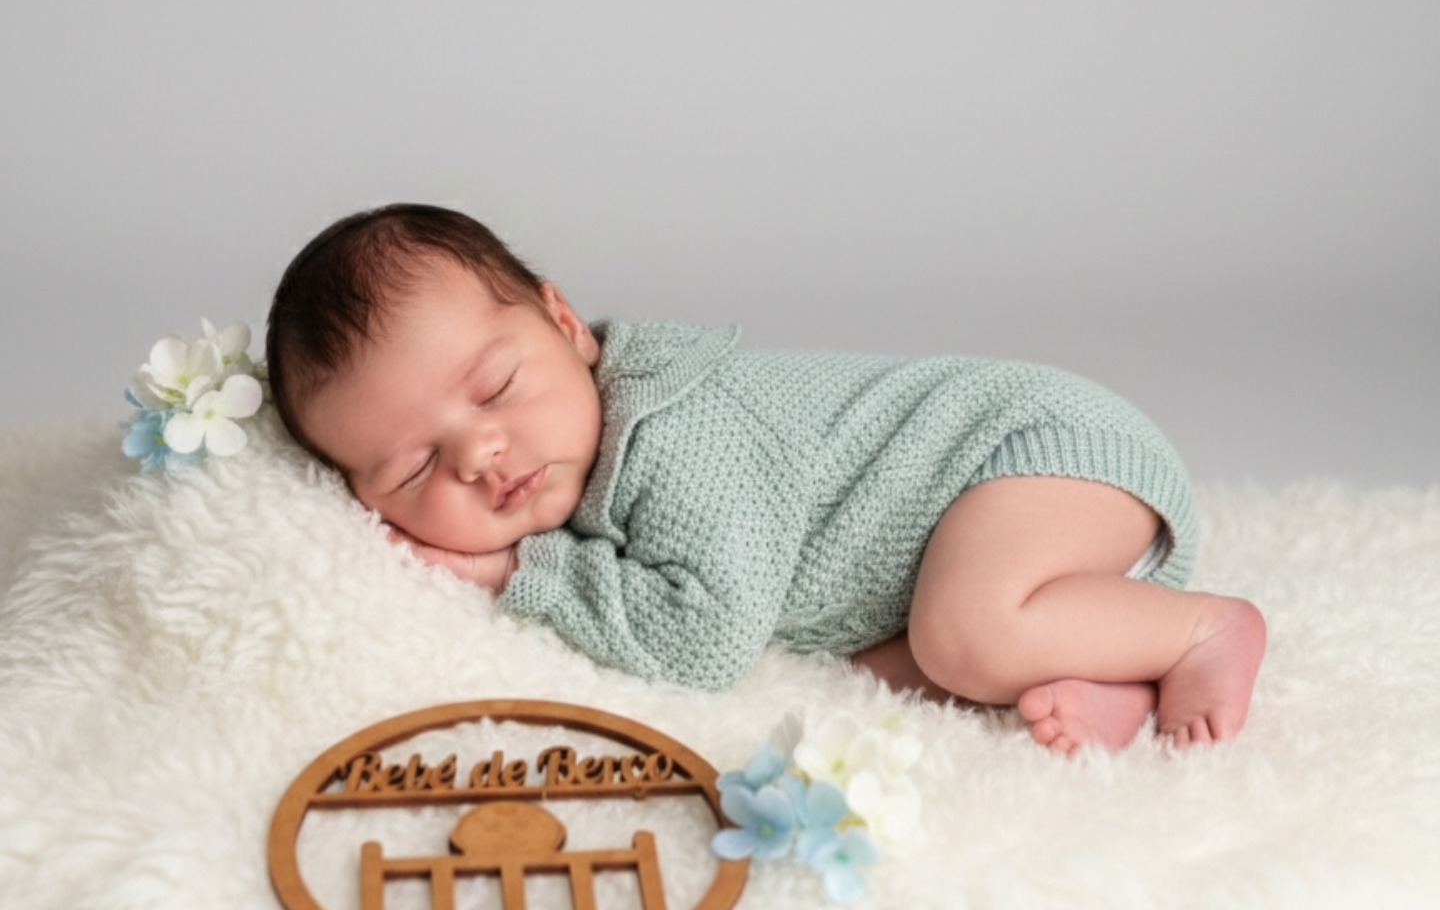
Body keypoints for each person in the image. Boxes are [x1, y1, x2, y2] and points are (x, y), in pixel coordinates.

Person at [265, 204, 1265, 755]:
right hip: (989, 524)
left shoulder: (675, 431)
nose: (480, 456)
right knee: (889, 677)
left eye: (495, 388)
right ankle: (1104, 664)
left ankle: (1203, 629)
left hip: (1032, 449)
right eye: (414, 467)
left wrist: (507, 577)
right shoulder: (584, 453)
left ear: (565, 325)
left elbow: (704, 641)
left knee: (964, 637)